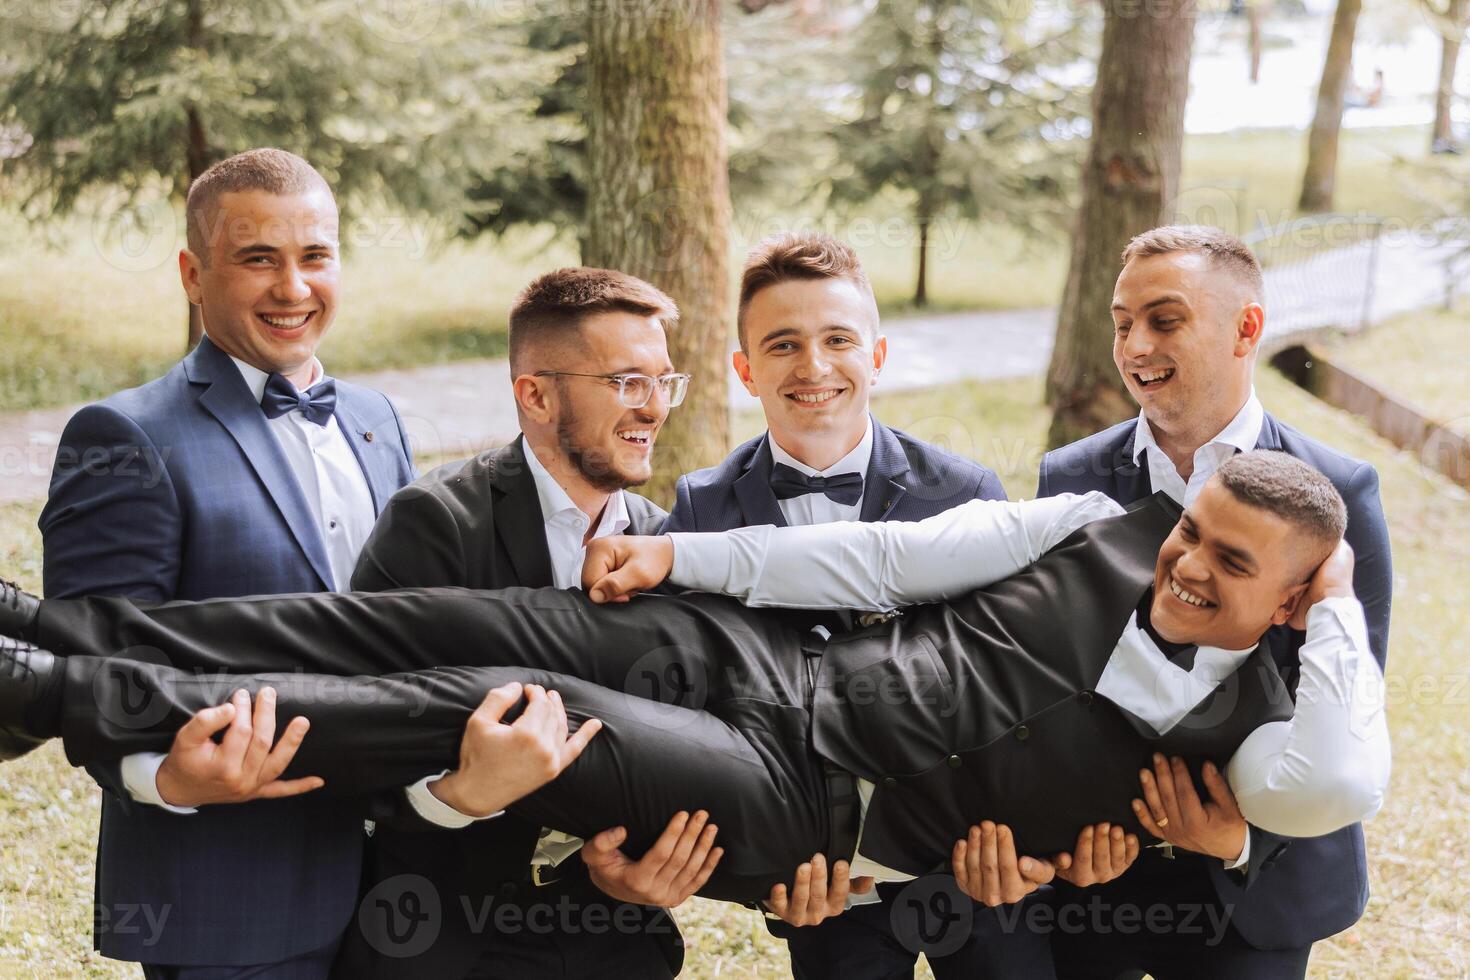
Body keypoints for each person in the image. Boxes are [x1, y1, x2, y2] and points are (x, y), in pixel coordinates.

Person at [0, 452, 1390, 912]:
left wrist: (1333, 624)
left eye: (1234, 564)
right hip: (770, 657)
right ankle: (60, 634)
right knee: (419, 619)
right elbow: (879, 558)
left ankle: (60, 698)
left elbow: (1332, 784)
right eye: (1196, 530)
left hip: (809, 807)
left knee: (497, 710)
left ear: (1289, 597)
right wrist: (684, 555)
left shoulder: (1262, 730)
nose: (1188, 564)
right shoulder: (1097, 522)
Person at [35, 148, 421, 977]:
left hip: (407, 885)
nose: (293, 288)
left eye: (315, 256)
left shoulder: (376, 419)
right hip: (232, 895)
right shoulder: (124, 438)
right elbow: (90, 667)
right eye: (258, 259)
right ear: (192, 274)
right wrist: (166, 777)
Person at [663, 231, 1064, 978]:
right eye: (782, 345)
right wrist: (762, 873)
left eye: (837, 339)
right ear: (746, 371)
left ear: (876, 356)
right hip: (822, 877)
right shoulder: (703, 508)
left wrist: (1020, 840)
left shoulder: (965, 493)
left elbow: (1016, 688)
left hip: (971, 860)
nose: (813, 367)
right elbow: (701, 713)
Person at [1037, 225, 1393, 979]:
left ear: (1247, 328)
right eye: (1122, 322)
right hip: (1096, 874)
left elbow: (1347, 704)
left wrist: (1243, 839)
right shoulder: (1069, 477)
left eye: (1165, 320)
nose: (1135, 346)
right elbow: (1045, 680)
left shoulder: (1339, 491)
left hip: (1253, 881)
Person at [332, 266, 706, 979]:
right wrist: (460, 796)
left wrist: (643, 867)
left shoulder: (673, 546)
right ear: (535, 394)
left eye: (665, 382)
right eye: (627, 382)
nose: (655, 408)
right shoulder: (434, 524)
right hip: (439, 931)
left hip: (615, 934)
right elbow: (355, 744)